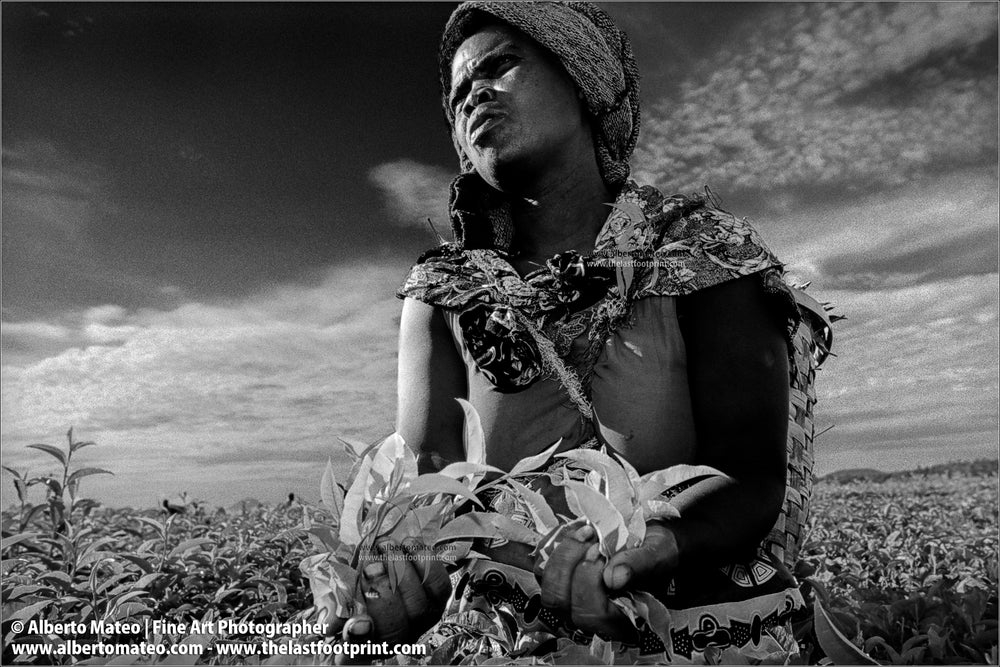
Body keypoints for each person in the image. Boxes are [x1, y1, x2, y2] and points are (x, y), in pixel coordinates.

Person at [326, 2, 833, 663]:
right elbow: (430, 480)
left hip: (695, 624)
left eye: (499, 67)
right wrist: (400, 570)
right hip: (506, 632)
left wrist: (654, 548)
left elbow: (750, 477)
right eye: (456, 95)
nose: (472, 93)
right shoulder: (447, 291)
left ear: (582, 78)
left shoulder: (700, 254)